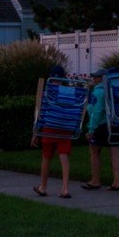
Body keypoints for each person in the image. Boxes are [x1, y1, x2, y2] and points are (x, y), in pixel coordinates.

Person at [32, 65, 74, 198]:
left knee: (46, 157)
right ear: (63, 78)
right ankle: (65, 188)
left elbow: (40, 114)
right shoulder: (70, 93)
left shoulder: (46, 94)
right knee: (64, 156)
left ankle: (43, 187)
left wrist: (35, 133)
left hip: (49, 128)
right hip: (65, 129)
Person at [82, 68, 119, 191]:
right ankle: (117, 181)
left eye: (96, 77)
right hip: (116, 124)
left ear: (102, 79)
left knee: (94, 151)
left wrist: (91, 130)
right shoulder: (115, 90)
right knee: (114, 151)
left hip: (102, 126)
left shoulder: (98, 92)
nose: (94, 79)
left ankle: (95, 180)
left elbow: (97, 113)